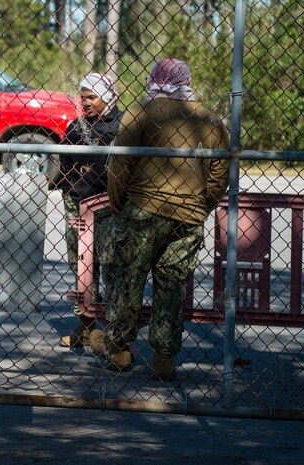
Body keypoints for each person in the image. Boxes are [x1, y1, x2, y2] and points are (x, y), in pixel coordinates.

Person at [88, 58, 229, 380]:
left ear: (154, 79)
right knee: (171, 287)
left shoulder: (141, 113)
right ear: (187, 80)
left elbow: (120, 165)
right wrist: (201, 205)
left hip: (143, 209)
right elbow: (220, 172)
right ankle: (164, 357)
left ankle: (120, 349)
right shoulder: (209, 119)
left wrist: (119, 202)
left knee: (129, 281)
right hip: (188, 215)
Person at [54, 73, 123, 349]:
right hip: (77, 203)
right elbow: (64, 162)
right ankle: (85, 327)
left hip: (110, 203)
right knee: (81, 266)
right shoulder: (76, 126)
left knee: (112, 267)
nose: (86, 103)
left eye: (92, 97)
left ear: (107, 96)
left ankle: (115, 334)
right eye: (83, 98)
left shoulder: (122, 125)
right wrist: (66, 187)